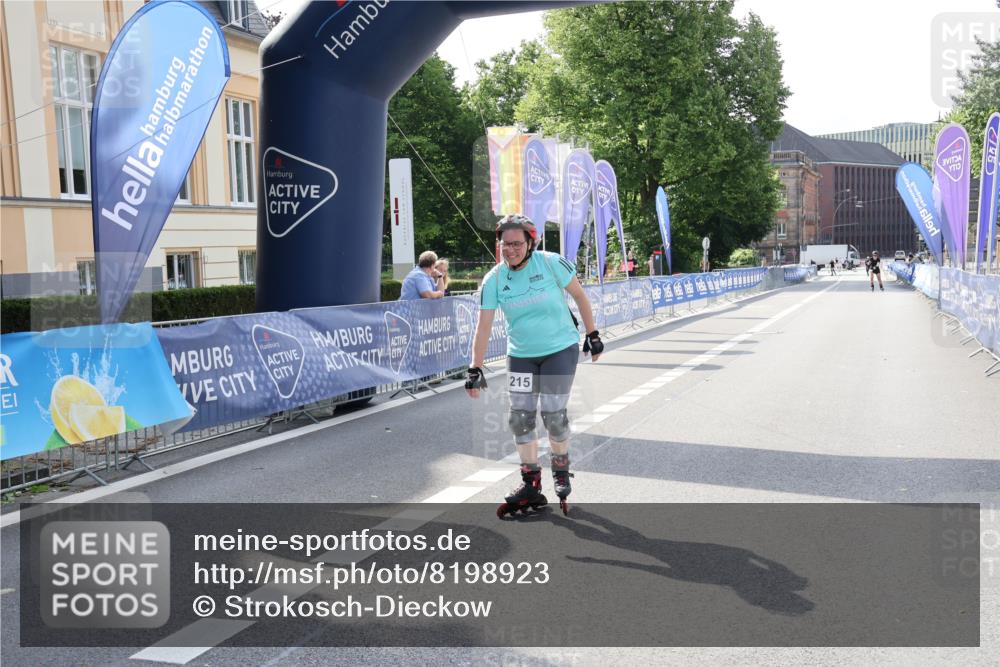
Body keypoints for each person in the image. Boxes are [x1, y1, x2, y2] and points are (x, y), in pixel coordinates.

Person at [466, 214, 602, 518]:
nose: (510, 249)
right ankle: (531, 482)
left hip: (559, 350)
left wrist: (592, 334)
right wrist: (475, 368)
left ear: (530, 243)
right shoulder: (494, 279)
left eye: (516, 244)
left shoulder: (551, 263)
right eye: (505, 244)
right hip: (521, 356)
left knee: (553, 415)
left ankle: (561, 468)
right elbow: (483, 327)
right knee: (520, 418)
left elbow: (580, 296)